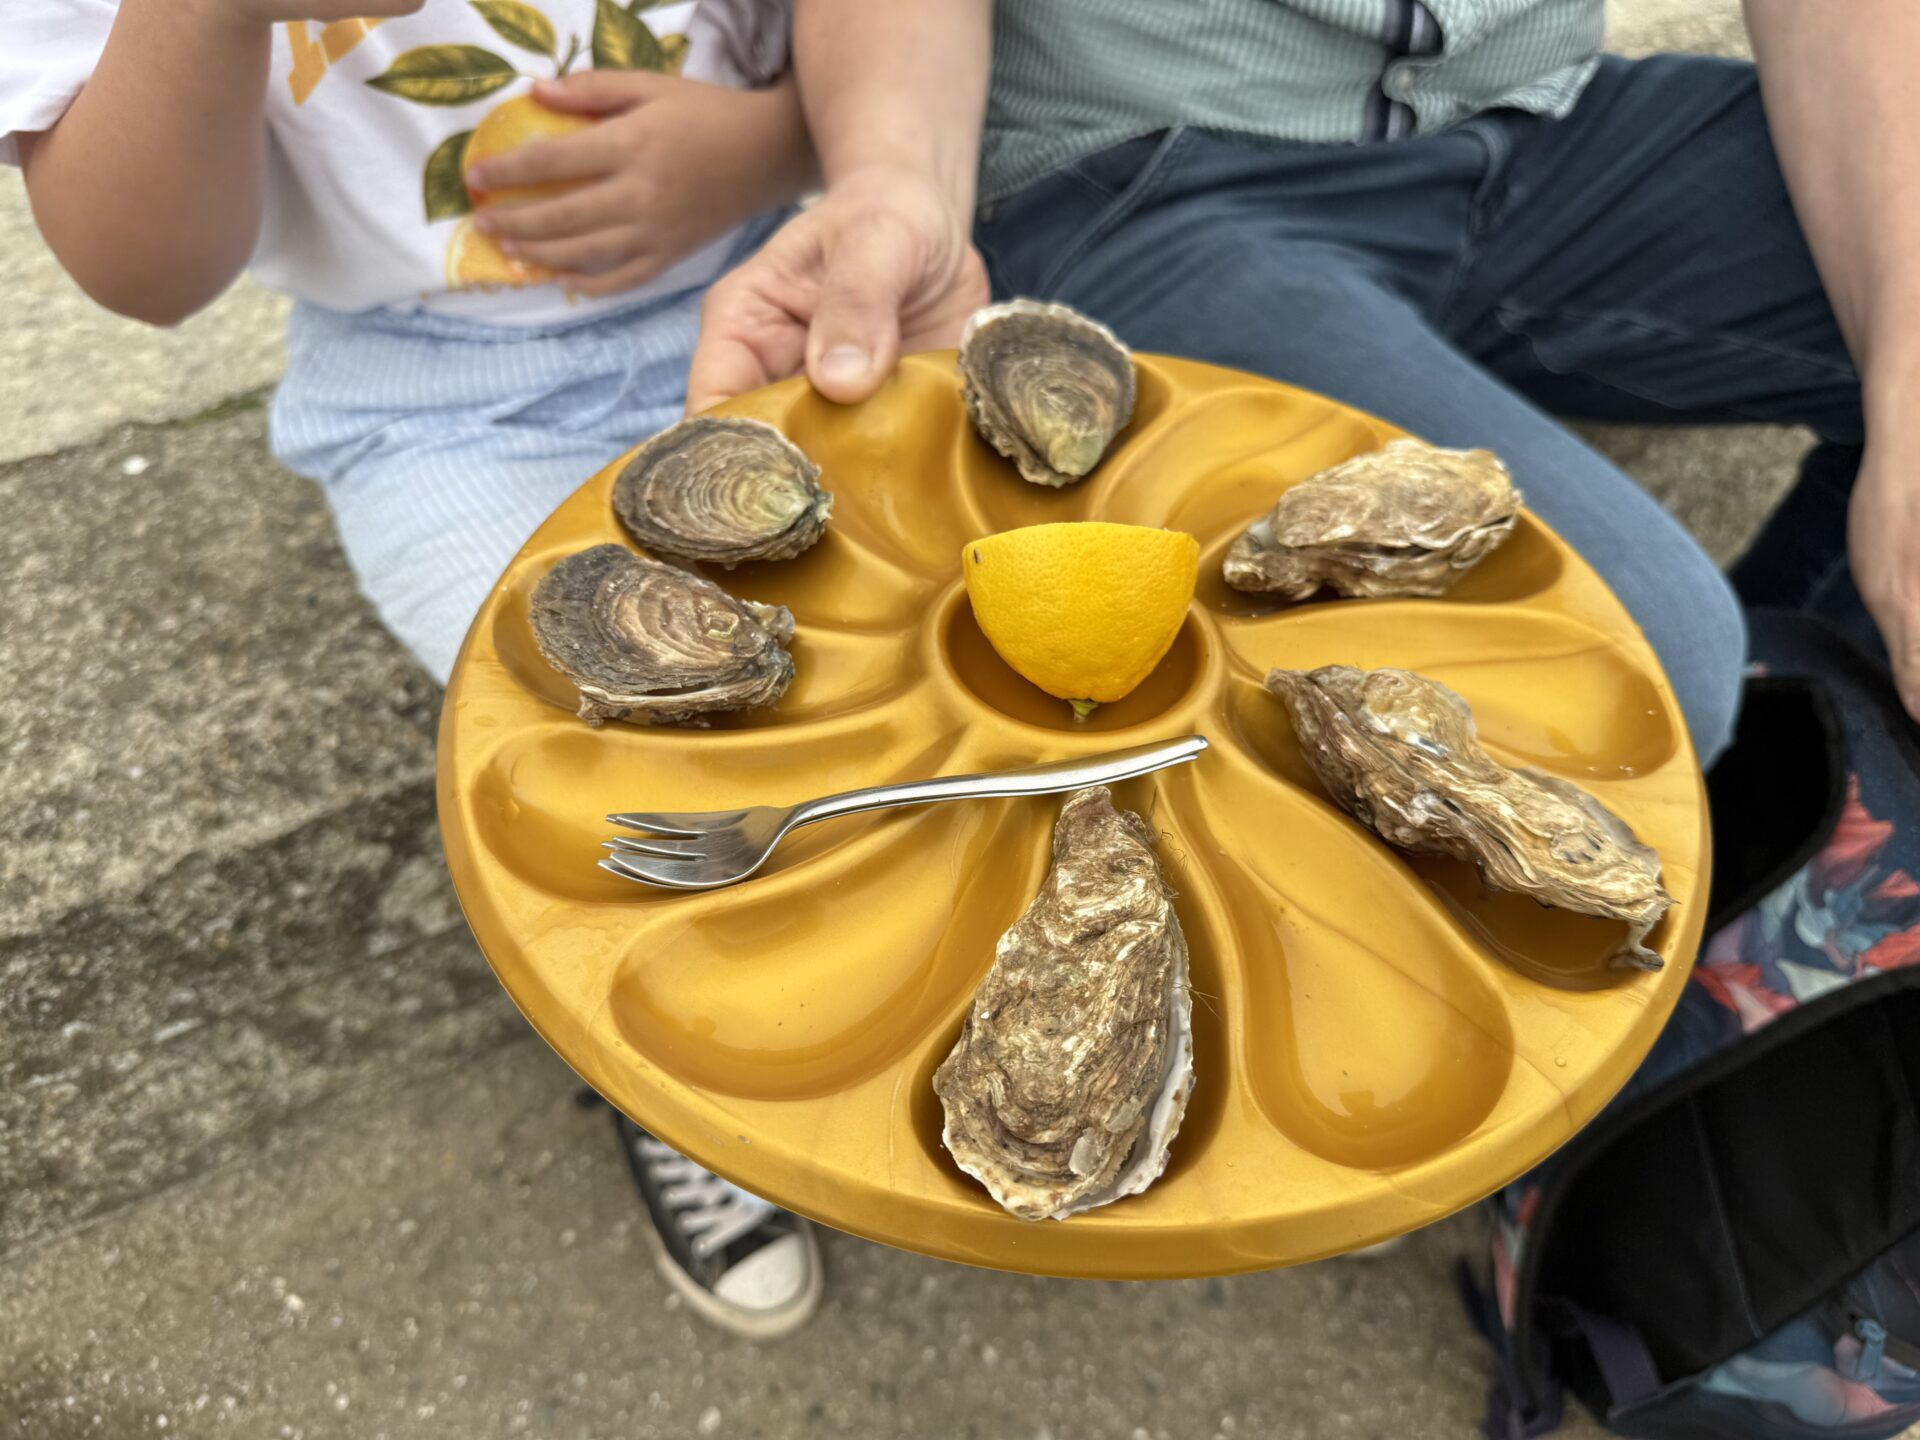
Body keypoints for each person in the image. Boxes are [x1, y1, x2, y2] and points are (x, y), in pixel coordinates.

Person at [5, 0, 822, 1338]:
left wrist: (773, 145)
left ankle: (832, 1011)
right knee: (605, 748)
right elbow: (141, 267)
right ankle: (670, 1068)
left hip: (766, 281)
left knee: (873, 678)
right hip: (430, 396)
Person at [694, 0, 1920, 761]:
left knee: (1659, 697)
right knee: (1625, 677)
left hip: (1542, 125)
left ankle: (1821, 787)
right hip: (1146, 183)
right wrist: (899, 180)